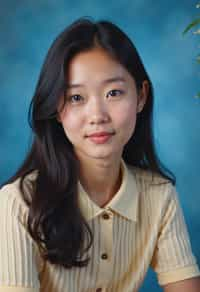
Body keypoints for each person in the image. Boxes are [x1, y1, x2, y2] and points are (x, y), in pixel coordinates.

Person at [0, 18, 199, 292]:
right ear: (56, 109)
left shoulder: (159, 195)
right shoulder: (18, 203)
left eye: (113, 93)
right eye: (76, 98)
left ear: (141, 96)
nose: (97, 116)